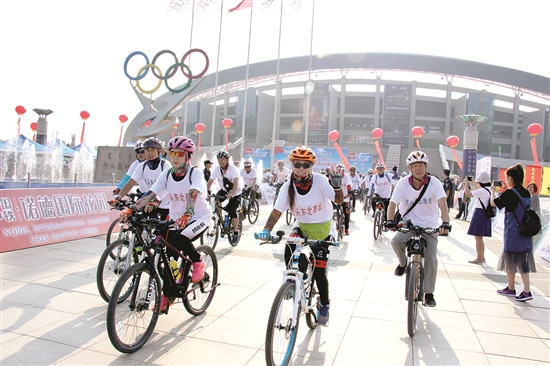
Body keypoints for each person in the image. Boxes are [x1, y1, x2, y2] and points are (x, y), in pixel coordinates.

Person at [255, 146, 344, 325]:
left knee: (319, 273)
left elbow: (338, 200)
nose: (301, 169)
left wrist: (337, 187)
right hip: (302, 227)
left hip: (324, 230)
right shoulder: (287, 186)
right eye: (297, 164)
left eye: (306, 165)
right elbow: (277, 210)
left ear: (311, 166)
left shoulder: (319, 181)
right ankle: (293, 282)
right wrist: (267, 229)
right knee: (289, 249)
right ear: (292, 164)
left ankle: (325, 304)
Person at [133, 136, 210, 313]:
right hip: (177, 220)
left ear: (188, 156)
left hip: (198, 217)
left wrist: (188, 213)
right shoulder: (167, 174)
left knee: (181, 238)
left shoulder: (194, 173)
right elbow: (152, 193)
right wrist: (133, 209)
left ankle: (198, 262)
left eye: (180, 154)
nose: (175, 157)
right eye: (172, 153)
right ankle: (168, 295)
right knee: (166, 257)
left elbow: (193, 192)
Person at [386, 151, 450, 307]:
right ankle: (402, 264)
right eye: (415, 166)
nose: (418, 168)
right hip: (409, 225)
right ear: (409, 168)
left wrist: (445, 223)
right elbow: (393, 204)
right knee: (396, 241)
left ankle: (429, 293)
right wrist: (389, 220)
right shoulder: (402, 183)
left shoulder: (434, 183)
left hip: (430, 226)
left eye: (421, 165)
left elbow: (443, 204)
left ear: (426, 167)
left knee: (431, 259)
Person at [491, 164, 536, 301]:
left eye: (507, 177)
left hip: (513, 231)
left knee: (513, 259)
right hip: (525, 231)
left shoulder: (511, 193)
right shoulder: (526, 192)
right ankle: (511, 288)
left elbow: (494, 203)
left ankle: (526, 291)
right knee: (519, 259)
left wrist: (493, 190)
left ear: (511, 178)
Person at [114, 137, 171, 219]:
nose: (150, 153)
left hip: (166, 204)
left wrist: (156, 200)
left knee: (161, 230)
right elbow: (130, 182)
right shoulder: (142, 166)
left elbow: (167, 187)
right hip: (148, 202)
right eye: (147, 150)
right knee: (136, 220)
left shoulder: (165, 165)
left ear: (159, 151)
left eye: (153, 150)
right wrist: (118, 198)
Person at [207, 151, 242, 244]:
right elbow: (210, 181)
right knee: (216, 200)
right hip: (224, 190)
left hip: (236, 191)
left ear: (227, 160)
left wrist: (232, 195)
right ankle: (220, 218)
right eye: (219, 160)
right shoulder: (216, 169)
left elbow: (236, 183)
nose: (221, 161)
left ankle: (235, 232)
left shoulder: (233, 169)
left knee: (232, 211)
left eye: (223, 159)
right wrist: (205, 192)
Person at [463, 171, 492, 264]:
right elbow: (477, 189)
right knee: (480, 238)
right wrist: (474, 181)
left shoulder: (482, 191)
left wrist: (466, 184)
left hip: (480, 213)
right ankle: (481, 257)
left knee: (478, 238)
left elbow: (468, 194)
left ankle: (479, 258)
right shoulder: (488, 189)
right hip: (484, 214)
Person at [336, 164, 352, 236]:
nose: (339, 172)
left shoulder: (346, 177)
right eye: (338, 170)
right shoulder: (335, 176)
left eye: (340, 170)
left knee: (346, 212)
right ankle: (336, 223)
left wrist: (349, 193)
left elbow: (348, 186)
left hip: (345, 198)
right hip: (337, 197)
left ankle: (346, 229)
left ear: (343, 171)